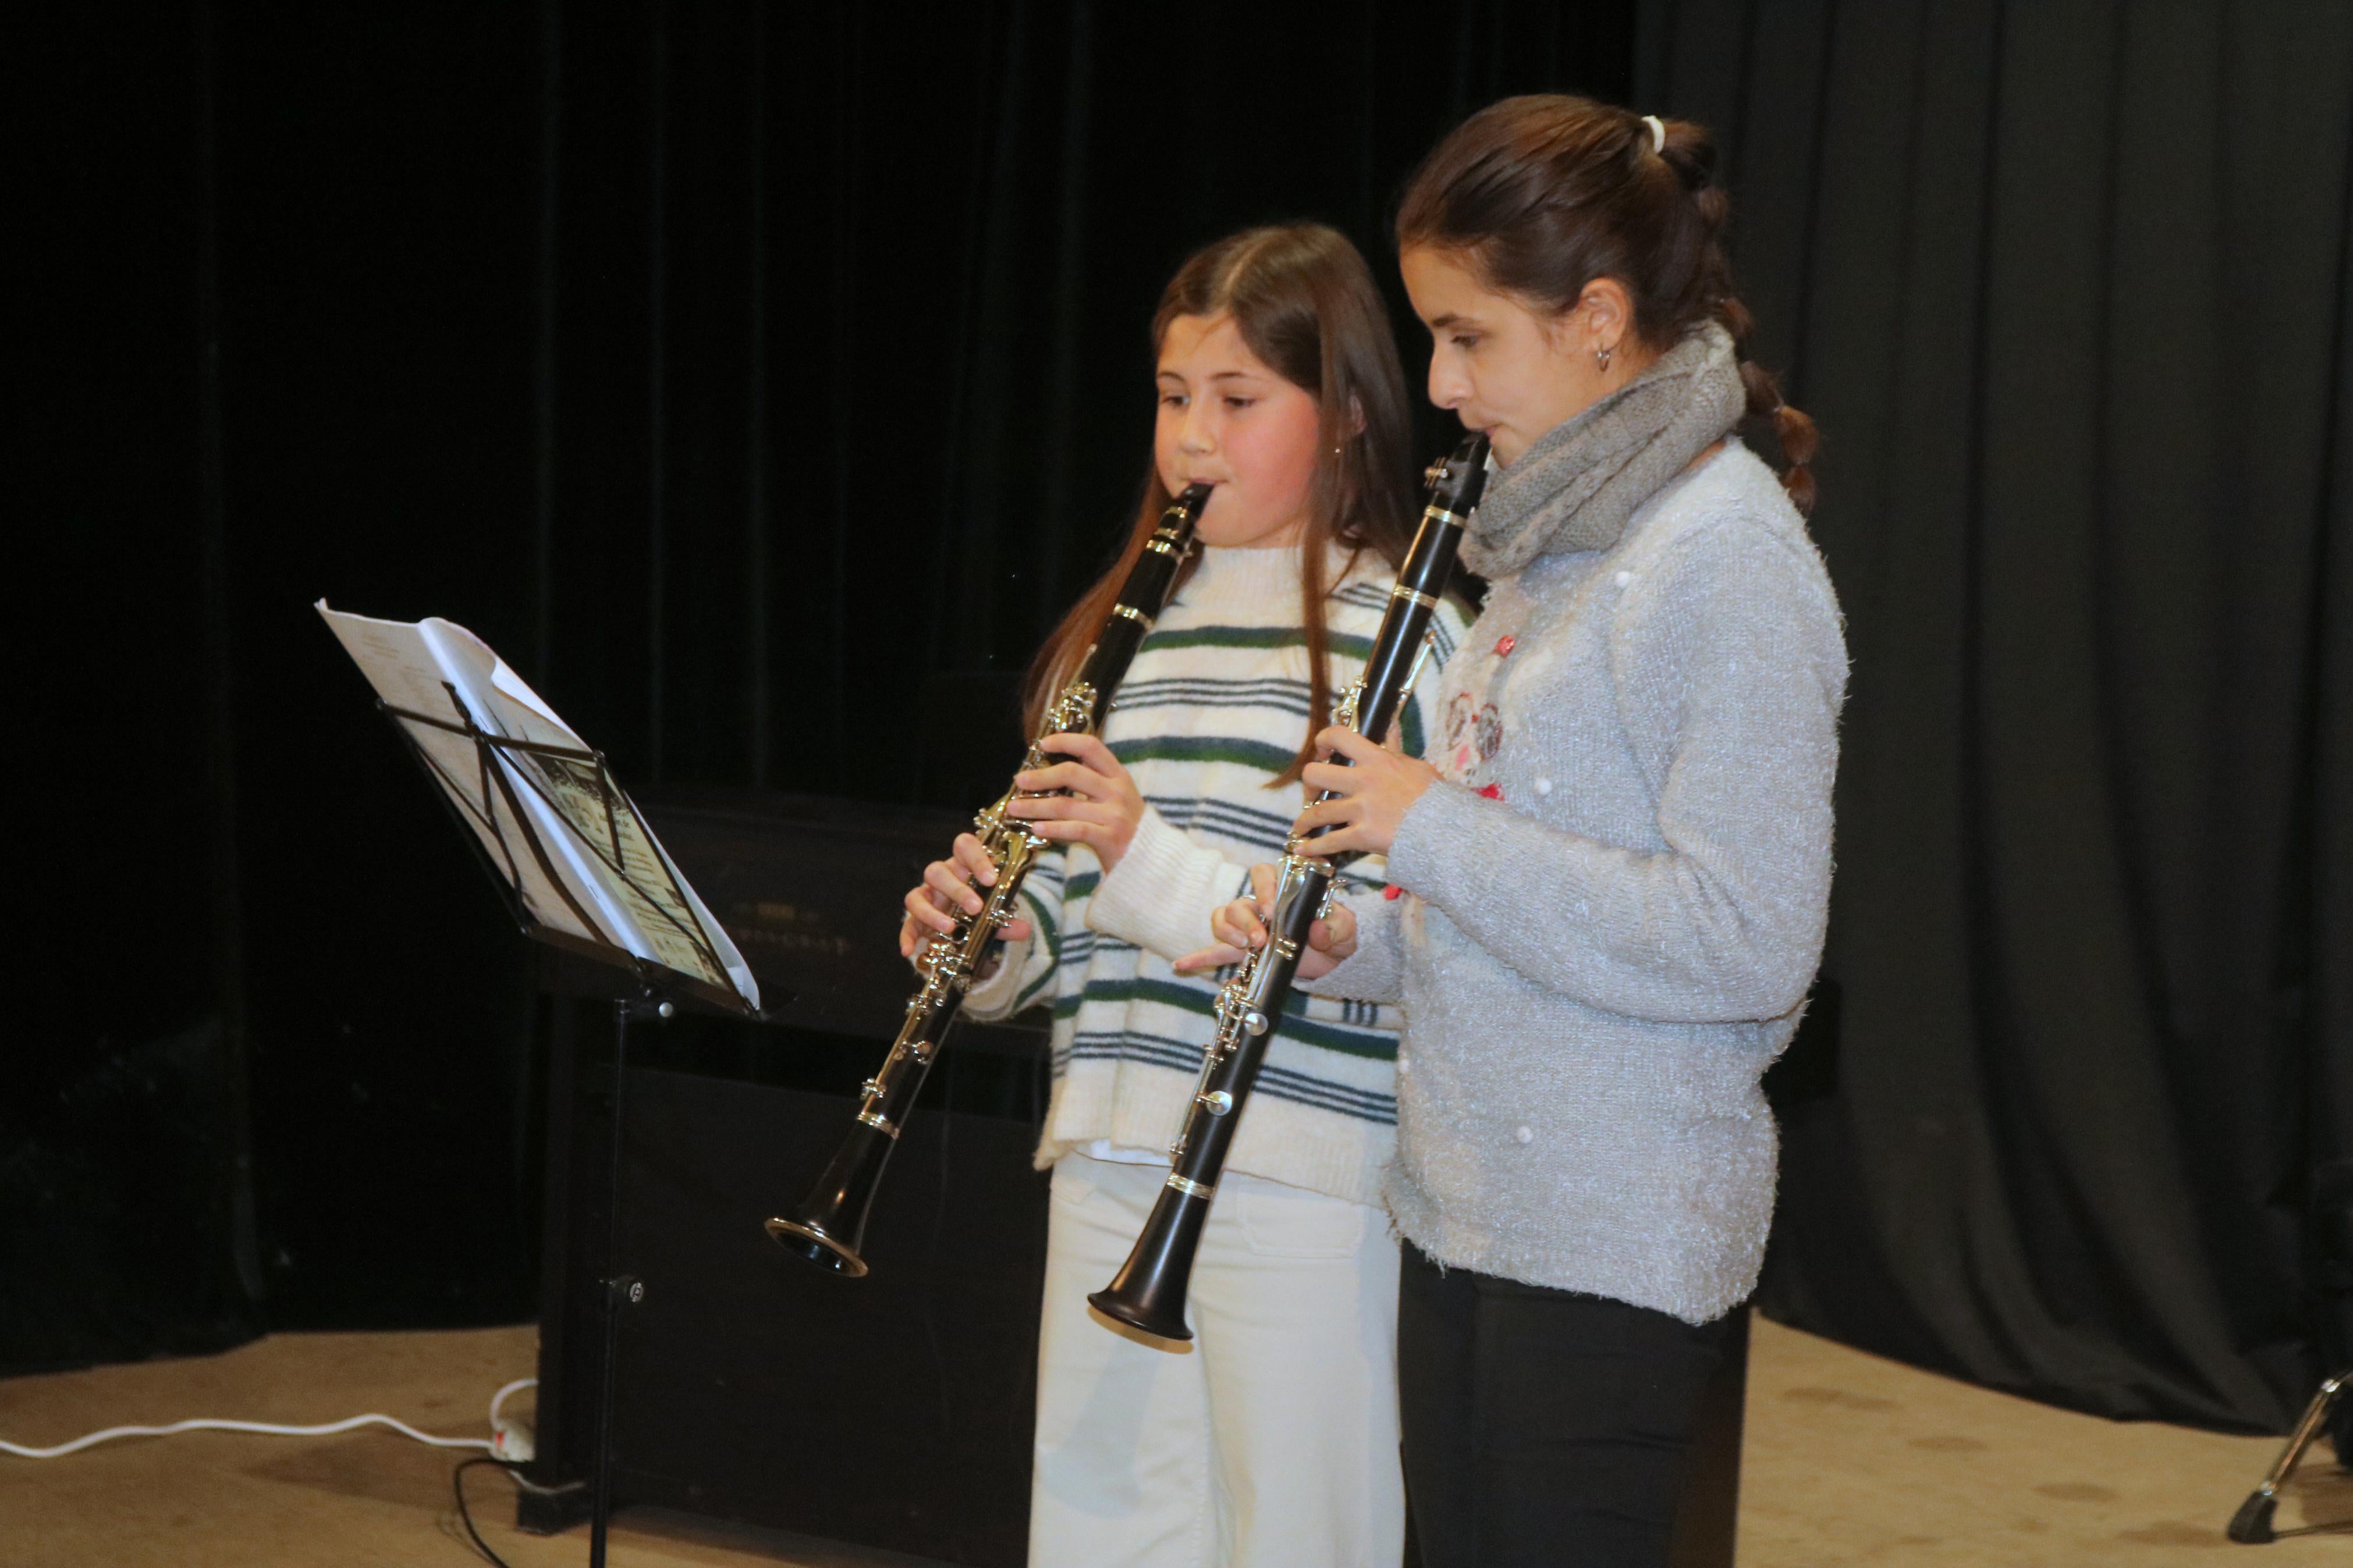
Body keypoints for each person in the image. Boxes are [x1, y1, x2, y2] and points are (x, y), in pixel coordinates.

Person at [1192, 97, 1848, 1566]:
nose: (1438, 382)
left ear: (1601, 318)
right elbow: (1505, 914)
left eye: (1470, 337)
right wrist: (1353, 942)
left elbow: (1748, 946)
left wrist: (1425, 830)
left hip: (1608, 1241)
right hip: (1466, 1207)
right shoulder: (1552, 546)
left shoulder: (1725, 555)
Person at [899, 222, 1472, 1568]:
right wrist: (983, 945)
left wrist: (1142, 849)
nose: (1192, 442)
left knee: (1294, 1532)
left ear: (1343, 421)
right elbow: (1065, 917)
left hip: (1305, 1168)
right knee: (1106, 1525)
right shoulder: (1118, 634)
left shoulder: (1416, 633)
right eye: (1172, 400)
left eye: (1236, 402)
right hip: (1108, 1137)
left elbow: (1384, 936)